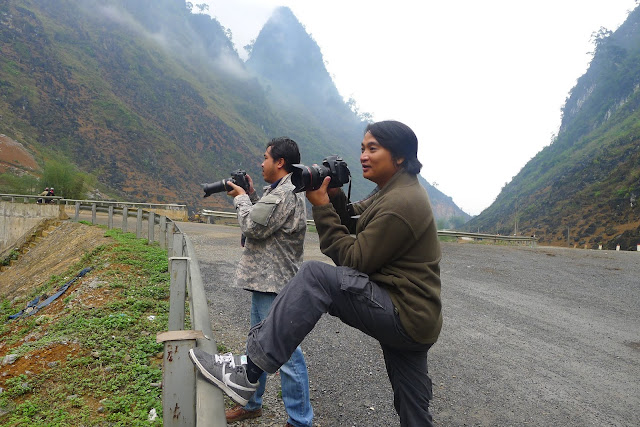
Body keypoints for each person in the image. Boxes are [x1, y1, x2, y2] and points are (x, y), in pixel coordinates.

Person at [191, 121, 442, 426]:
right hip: (419, 318)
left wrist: (322, 208)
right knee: (413, 409)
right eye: (362, 148)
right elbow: (354, 220)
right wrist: (334, 195)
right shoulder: (393, 190)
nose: (363, 156)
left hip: (402, 311)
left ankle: (248, 372)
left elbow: (354, 261)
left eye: (373, 149)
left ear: (400, 156)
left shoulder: (401, 201)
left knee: (315, 276)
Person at [220, 137, 313, 427]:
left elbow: (253, 226)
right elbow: (265, 220)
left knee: (286, 354)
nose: (261, 164)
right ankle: (251, 403)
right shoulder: (280, 190)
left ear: (280, 162)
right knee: (256, 346)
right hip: (265, 282)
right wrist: (250, 194)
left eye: (265, 158)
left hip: (274, 284)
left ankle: (300, 420)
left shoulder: (285, 193)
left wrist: (240, 198)